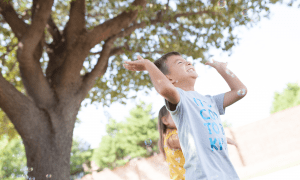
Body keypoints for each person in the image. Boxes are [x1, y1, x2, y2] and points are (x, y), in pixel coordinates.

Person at [123, 52, 247, 180]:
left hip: (227, 175)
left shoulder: (211, 101)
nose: (188, 62)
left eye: (186, 60)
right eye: (180, 62)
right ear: (169, 79)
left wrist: (223, 69)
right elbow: (165, 89)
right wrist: (148, 65)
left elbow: (240, 91)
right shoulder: (180, 99)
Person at [158, 105, 238, 180]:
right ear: (165, 120)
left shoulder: (173, 136)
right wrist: (220, 138)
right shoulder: (172, 138)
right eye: (176, 114)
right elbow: (195, 141)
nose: (182, 116)